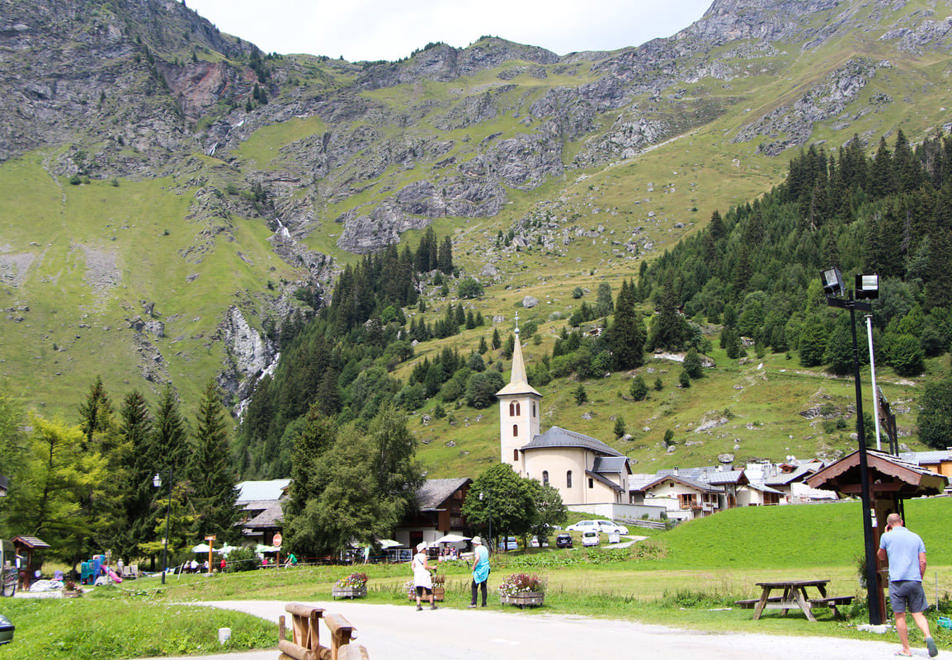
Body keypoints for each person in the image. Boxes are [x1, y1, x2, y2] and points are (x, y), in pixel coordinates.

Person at [877, 512, 938, 658]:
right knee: (918, 613)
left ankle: (906, 649)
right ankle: (928, 636)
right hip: (914, 580)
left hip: (897, 581)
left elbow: (881, 556)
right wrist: (919, 577)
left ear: (889, 524)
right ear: (902, 522)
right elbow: (923, 561)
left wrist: (886, 534)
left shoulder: (886, 536)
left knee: (900, 615)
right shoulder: (916, 537)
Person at [411, 542, 436, 611]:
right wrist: (432, 567)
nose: (425, 550)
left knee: (419, 591)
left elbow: (412, 566)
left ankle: (418, 605)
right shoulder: (424, 556)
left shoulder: (415, 556)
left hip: (417, 575)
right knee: (428, 589)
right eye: (424, 549)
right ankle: (432, 604)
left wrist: (415, 571)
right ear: (422, 550)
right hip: (424, 574)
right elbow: (425, 566)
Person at [469, 536, 490, 608]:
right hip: (486, 568)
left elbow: (477, 558)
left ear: (475, 543)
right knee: (484, 586)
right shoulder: (485, 548)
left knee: (474, 586)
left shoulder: (477, 549)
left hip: (480, 569)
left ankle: (474, 603)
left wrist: (474, 565)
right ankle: (484, 603)